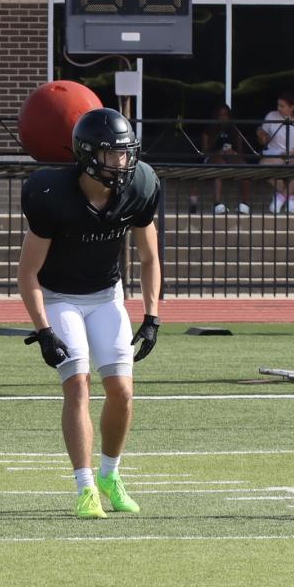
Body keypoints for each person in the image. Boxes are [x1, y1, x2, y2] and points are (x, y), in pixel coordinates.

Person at [18, 106, 163, 518]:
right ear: (86, 155)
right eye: (112, 153)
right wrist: (44, 330)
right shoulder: (53, 195)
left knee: (122, 390)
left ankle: (110, 474)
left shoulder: (139, 185)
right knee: (78, 383)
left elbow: (149, 257)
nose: (123, 162)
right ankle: (85, 487)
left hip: (105, 295)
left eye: (126, 152)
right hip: (59, 295)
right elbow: (27, 272)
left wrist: (151, 316)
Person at [197, 103, 253, 214]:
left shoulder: (234, 130)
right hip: (213, 158)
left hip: (232, 157)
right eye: (220, 115)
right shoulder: (209, 130)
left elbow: (240, 151)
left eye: (225, 115)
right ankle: (217, 204)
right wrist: (218, 152)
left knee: (244, 167)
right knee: (220, 166)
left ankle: (245, 204)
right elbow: (204, 151)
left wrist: (232, 152)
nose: (223, 118)